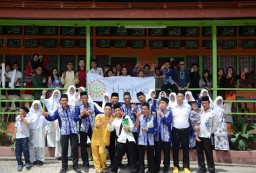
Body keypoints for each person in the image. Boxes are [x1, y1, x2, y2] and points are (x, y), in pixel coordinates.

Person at [42, 94, 79, 173]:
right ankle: (64, 166)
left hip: (73, 131)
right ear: (60, 101)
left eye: (66, 100)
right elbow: (52, 118)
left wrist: (81, 115)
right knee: (64, 150)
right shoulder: (58, 110)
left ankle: (75, 165)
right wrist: (46, 115)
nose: (64, 102)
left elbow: (76, 118)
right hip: (64, 132)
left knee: (74, 149)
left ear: (68, 101)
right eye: (63, 100)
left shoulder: (73, 108)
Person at [74, 91, 102, 172]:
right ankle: (85, 164)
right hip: (83, 129)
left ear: (88, 98)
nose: (85, 99)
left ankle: (97, 163)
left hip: (93, 128)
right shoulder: (78, 107)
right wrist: (81, 115)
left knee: (95, 145)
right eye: (83, 98)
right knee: (83, 147)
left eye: (86, 98)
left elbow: (99, 113)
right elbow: (75, 119)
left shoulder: (92, 106)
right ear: (81, 99)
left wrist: (106, 114)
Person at [108, 104, 138, 173]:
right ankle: (114, 169)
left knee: (132, 155)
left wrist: (129, 128)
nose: (117, 112)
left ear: (121, 111)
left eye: (119, 110)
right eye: (116, 111)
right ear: (114, 112)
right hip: (121, 139)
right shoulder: (114, 120)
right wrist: (110, 122)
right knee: (117, 155)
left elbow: (132, 127)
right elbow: (110, 129)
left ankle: (134, 170)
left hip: (129, 138)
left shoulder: (126, 117)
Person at [195, 96, 218, 173]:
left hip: (207, 136)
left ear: (209, 103)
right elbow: (196, 122)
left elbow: (215, 125)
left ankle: (211, 169)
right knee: (200, 153)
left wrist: (209, 132)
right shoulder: (199, 112)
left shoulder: (212, 113)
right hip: (198, 135)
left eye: (205, 103)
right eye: (203, 103)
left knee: (209, 154)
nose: (204, 105)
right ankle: (202, 169)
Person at [172, 92, 191, 173]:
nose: (179, 97)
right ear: (176, 98)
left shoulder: (188, 107)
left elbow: (190, 117)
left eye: (181, 96)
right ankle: (176, 166)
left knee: (186, 149)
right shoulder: (172, 107)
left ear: (183, 98)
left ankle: (186, 166)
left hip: (185, 130)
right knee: (175, 149)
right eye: (178, 96)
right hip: (175, 130)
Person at [135, 102, 157, 173]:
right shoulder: (140, 117)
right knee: (141, 157)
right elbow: (136, 127)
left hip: (150, 141)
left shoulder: (152, 117)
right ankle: (141, 170)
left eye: (145, 109)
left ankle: (151, 170)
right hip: (141, 140)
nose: (143, 110)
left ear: (148, 109)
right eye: (142, 109)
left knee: (150, 157)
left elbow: (155, 129)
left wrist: (147, 129)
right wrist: (137, 118)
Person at [91, 102, 113, 173]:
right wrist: (102, 123)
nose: (108, 111)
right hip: (95, 139)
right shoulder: (99, 116)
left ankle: (103, 166)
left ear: (111, 110)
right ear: (104, 110)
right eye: (106, 109)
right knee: (95, 155)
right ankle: (98, 168)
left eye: (109, 109)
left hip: (104, 140)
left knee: (102, 153)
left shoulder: (112, 118)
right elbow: (96, 125)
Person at [154, 97, 172, 173]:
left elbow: (168, 123)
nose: (161, 104)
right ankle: (157, 166)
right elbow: (155, 123)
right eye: (160, 103)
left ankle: (166, 166)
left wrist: (162, 115)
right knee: (157, 152)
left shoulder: (169, 112)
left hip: (166, 136)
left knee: (166, 152)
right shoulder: (156, 112)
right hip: (158, 136)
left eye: (163, 103)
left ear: (166, 104)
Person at [40, 89, 61, 154]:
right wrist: (43, 94)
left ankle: (57, 148)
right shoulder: (49, 100)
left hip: (58, 118)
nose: (56, 95)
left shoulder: (61, 101)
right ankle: (51, 145)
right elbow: (43, 100)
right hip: (50, 117)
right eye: (55, 93)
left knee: (57, 132)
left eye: (57, 93)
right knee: (50, 131)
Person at [27, 100, 48, 166]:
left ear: (39, 105)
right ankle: (32, 159)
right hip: (32, 131)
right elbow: (27, 122)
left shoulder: (42, 113)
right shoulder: (29, 114)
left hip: (40, 131)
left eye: (37, 105)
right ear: (32, 106)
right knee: (31, 146)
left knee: (40, 146)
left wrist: (46, 131)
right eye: (35, 105)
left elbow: (46, 123)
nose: (36, 106)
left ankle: (40, 159)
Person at [12, 106, 32, 172]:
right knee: (18, 152)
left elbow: (28, 124)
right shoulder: (17, 117)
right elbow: (15, 127)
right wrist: (13, 135)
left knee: (25, 150)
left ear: (25, 112)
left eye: (21, 111)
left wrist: (23, 118)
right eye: (19, 111)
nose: (19, 112)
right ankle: (20, 164)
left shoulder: (28, 117)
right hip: (18, 137)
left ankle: (28, 163)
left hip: (25, 137)